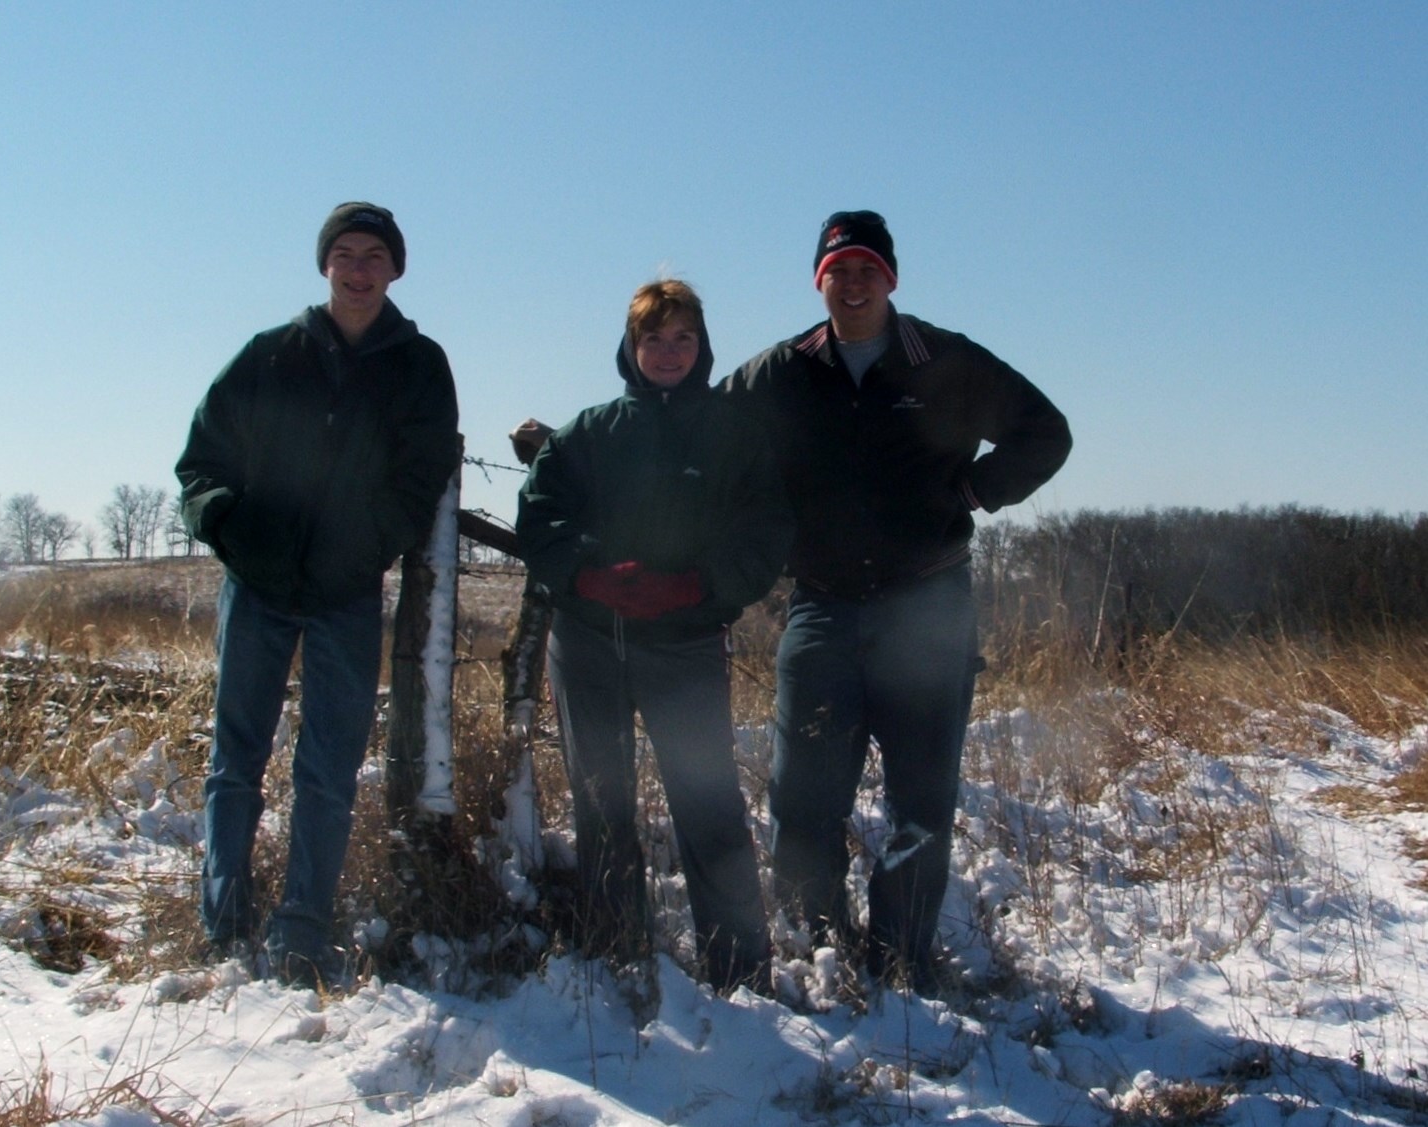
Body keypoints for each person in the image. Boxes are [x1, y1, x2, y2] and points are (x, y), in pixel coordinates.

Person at [721, 210, 1072, 993]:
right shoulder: (783, 371)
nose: (851, 284)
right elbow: (697, 434)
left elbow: (1044, 431)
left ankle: (901, 958)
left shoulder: (943, 362)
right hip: (821, 608)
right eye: (837, 270)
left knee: (920, 798)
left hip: (927, 608)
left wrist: (978, 487)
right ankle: (819, 947)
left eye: (866, 270)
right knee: (802, 796)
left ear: (890, 278)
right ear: (820, 281)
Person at [176, 202, 460, 988]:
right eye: (344, 253)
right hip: (258, 587)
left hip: (345, 595)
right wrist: (232, 525)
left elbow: (421, 472)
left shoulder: (419, 365)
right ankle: (224, 923)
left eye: (374, 255)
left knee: (328, 769)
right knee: (236, 759)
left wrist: (365, 546)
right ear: (324, 265)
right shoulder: (271, 355)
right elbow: (201, 461)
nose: (359, 268)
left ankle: (301, 930)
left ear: (394, 269)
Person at [516, 280, 791, 992]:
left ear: (701, 348)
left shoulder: (733, 435)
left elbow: (763, 535)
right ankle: (615, 959)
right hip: (588, 643)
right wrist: (587, 575)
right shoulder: (590, 432)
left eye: (682, 339)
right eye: (652, 339)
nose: (667, 353)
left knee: (708, 805)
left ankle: (740, 971)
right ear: (629, 348)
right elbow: (539, 520)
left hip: (686, 644)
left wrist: (699, 585)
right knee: (601, 803)